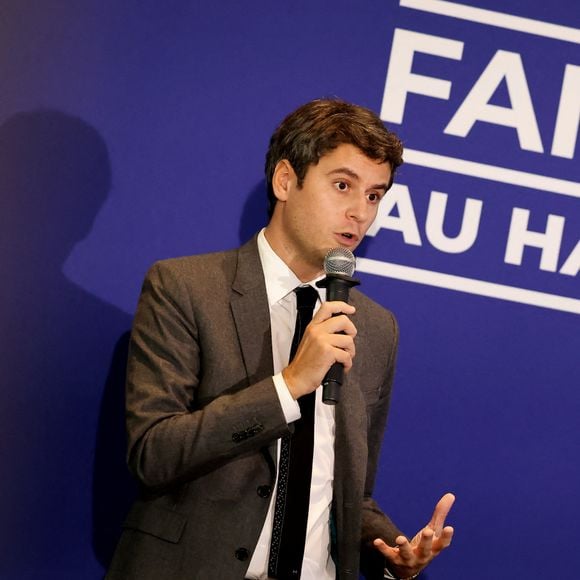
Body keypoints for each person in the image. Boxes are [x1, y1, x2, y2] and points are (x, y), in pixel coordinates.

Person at [106, 98, 454, 580]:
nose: (360, 213)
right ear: (285, 180)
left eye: (375, 196)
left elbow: (349, 492)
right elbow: (153, 453)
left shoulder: (375, 327)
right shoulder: (186, 288)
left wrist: (392, 550)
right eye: (342, 186)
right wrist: (288, 386)